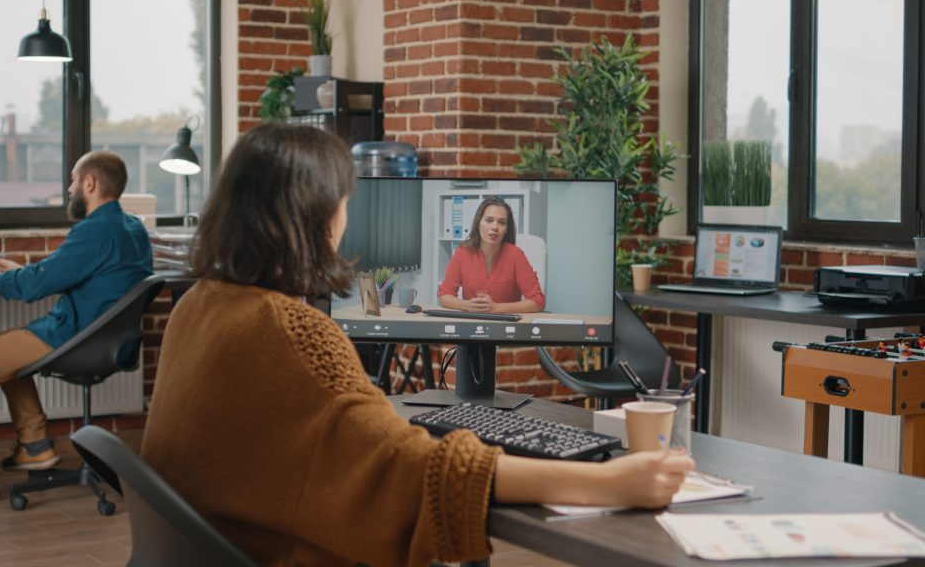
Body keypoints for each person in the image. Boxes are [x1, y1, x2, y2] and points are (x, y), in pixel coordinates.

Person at [141, 123, 694, 566]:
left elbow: (535, 299)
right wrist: (608, 481)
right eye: (344, 201)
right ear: (317, 217)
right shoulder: (295, 332)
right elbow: (422, 469)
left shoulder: (197, 307)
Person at [0, 151, 153, 503]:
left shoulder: (95, 230)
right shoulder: (132, 228)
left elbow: (34, 288)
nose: (69, 188)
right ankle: (34, 446)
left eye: (73, 180)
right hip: (107, 340)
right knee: (2, 346)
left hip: (76, 338)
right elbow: (71, 273)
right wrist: (16, 271)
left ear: (89, 183)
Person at [438, 197, 546, 314]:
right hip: (472, 320)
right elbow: (444, 295)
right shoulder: (463, 252)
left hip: (505, 323)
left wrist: (496, 308)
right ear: (478, 224)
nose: (495, 227)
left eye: (501, 222)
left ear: (506, 229)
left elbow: (538, 301)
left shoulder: (515, 255)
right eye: (489, 220)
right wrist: (466, 305)